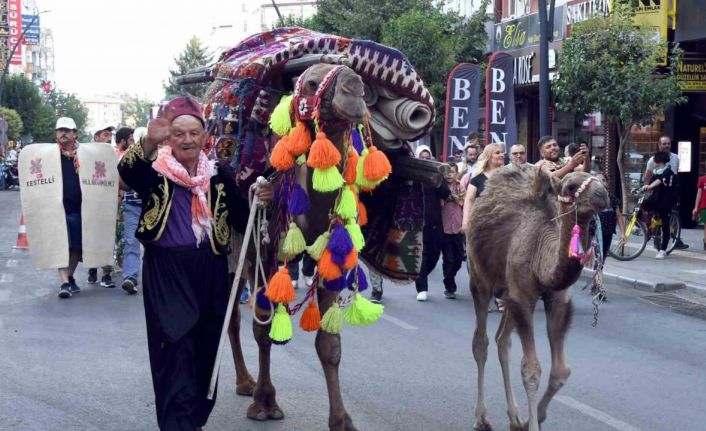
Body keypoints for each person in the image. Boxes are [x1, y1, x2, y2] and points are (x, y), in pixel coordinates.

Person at [118, 96, 273, 430]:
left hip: (211, 268)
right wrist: (147, 141)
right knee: (174, 347)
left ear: (206, 138)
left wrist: (261, 201)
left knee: (207, 348)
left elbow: (242, 219)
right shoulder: (155, 172)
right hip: (167, 271)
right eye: (178, 134)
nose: (186, 140)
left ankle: (194, 416)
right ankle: (178, 423)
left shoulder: (219, 175)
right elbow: (128, 171)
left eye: (193, 133)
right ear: (168, 139)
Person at [414, 144, 450, 301]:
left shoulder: (436, 175)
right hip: (416, 222)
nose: (425, 160)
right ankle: (422, 287)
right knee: (421, 254)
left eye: (427, 158)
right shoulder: (412, 176)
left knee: (434, 255)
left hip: (435, 222)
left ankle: (419, 276)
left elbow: (446, 192)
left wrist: (437, 181)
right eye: (422, 158)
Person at [54, 118, 84, 298]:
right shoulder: (48, 156)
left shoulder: (85, 155)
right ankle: (64, 282)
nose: (63, 133)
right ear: (56, 134)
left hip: (80, 208)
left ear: (75, 134)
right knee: (59, 244)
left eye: (67, 130)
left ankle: (70, 276)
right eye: (60, 130)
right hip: (56, 208)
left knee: (76, 247)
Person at [644, 135, 688, 250]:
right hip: (656, 190)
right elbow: (648, 176)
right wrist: (646, 186)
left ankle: (675, 239)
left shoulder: (675, 158)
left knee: (670, 215)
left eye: (668, 143)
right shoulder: (652, 160)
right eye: (664, 144)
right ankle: (650, 229)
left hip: (670, 190)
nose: (666, 146)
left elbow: (675, 173)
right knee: (649, 208)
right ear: (659, 145)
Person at [88, 123, 118, 287]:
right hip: (90, 203)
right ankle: (92, 268)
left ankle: (107, 274)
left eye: (110, 135)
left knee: (108, 238)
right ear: (96, 137)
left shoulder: (114, 155)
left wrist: (119, 195)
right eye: (105, 134)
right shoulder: (85, 154)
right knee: (92, 237)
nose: (108, 138)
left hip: (109, 202)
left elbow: (117, 176)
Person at [116, 127, 140, 294]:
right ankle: (130, 277)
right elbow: (120, 181)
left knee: (155, 244)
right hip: (132, 204)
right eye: (133, 139)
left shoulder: (162, 157)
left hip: (154, 205)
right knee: (131, 241)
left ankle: (156, 277)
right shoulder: (127, 158)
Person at [641, 151, 678, 260]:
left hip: (667, 200)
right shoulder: (656, 171)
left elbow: (659, 181)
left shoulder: (669, 172)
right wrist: (645, 186)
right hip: (657, 198)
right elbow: (651, 181)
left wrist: (650, 186)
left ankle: (663, 250)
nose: (653, 163)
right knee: (642, 205)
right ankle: (644, 226)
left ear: (659, 161)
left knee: (665, 223)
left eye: (655, 161)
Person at [440, 163, 465, 299]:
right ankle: (449, 286)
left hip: (458, 228)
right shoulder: (440, 188)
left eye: (453, 172)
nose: (450, 174)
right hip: (444, 228)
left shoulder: (461, 187)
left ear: (457, 174)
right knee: (448, 259)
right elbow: (441, 202)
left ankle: (450, 277)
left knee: (459, 259)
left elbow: (462, 202)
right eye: (447, 172)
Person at [692, 162, 706, 251]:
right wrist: (696, 207)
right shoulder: (702, 179)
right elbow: (699, 194)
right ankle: (705, 241)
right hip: (704, 206)